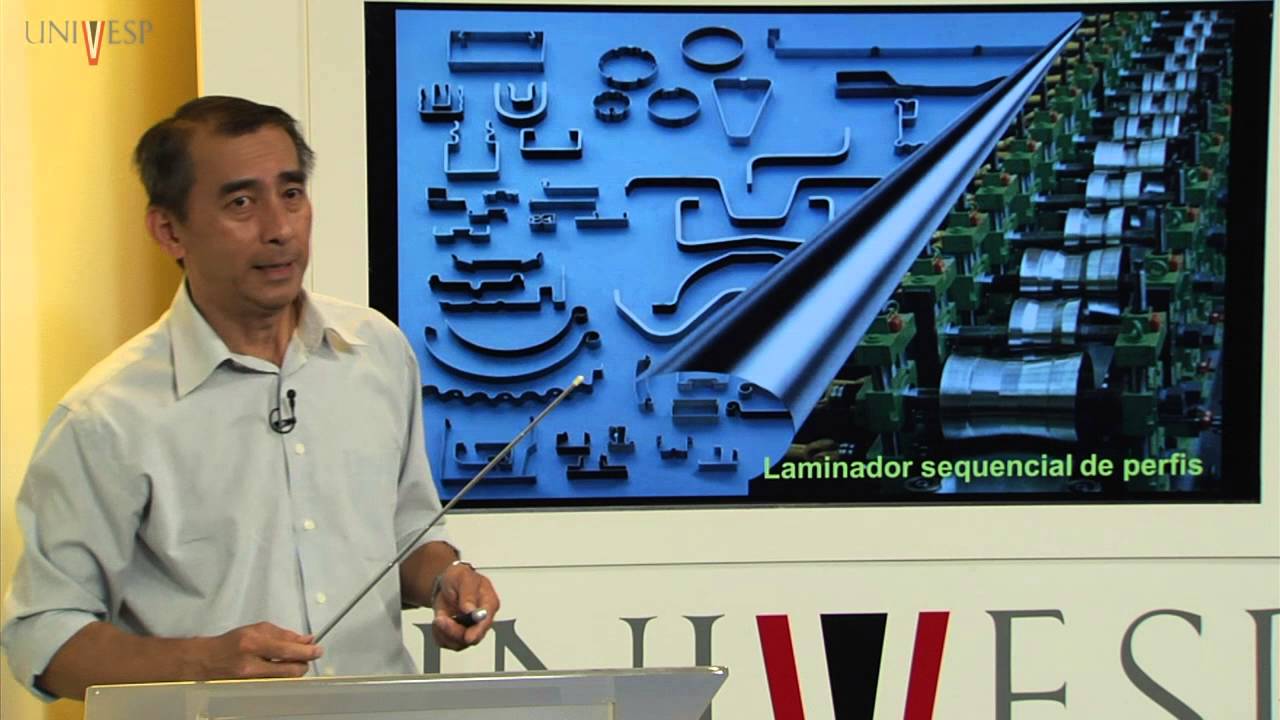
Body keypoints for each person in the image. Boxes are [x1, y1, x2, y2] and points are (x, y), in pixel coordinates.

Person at [0, 96, 499, 701]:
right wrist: (201, 663)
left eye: (291, 193)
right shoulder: (107, 415)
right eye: (241, 203)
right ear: (169, 230)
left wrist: (444, 577)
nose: (279, 228)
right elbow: (42, 636)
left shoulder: (375, 351)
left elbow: (406, 535)